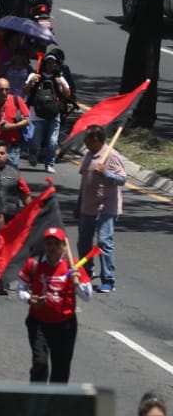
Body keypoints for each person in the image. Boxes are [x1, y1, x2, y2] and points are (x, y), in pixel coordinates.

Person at [18, 226, 91, 383]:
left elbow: (87, 296)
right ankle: (37, 396)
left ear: (64, 246)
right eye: (49, 243)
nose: (52, 247)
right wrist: (30, 299)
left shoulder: (73, 265)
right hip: (39, 323)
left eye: (56, 244)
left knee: (61, 369)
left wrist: (77, 283)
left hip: (65, 325)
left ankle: (55, 398)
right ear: (44, 245)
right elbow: (21, 288)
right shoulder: (34, 264)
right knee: (40, 364)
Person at [77, 124, 126, 294]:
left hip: (106, 207)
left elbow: (121, 180)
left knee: (104, 242)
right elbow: (84, 182)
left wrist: (105, 173)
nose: (84, 140)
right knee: (83, 242)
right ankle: (86, 272)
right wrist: (78, 204)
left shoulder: (111, 155)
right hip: (88, 207)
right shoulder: (88, 154)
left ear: (96, 139)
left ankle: (108, 280)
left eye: (86, 137)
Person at [24, 53, 70, 171]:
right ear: (44, 64)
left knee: (52, 142)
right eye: (48, 63)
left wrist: (61, 84)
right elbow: (26, 91)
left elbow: (67, 94)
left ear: (56, 65)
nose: (50, 65)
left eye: (53, 63)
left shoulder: (59, 78)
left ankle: (49, 163)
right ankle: (32, 153)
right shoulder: (34, 76)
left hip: (54, 115)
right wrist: (31, 82)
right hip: (37, 115)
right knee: (35, 141)